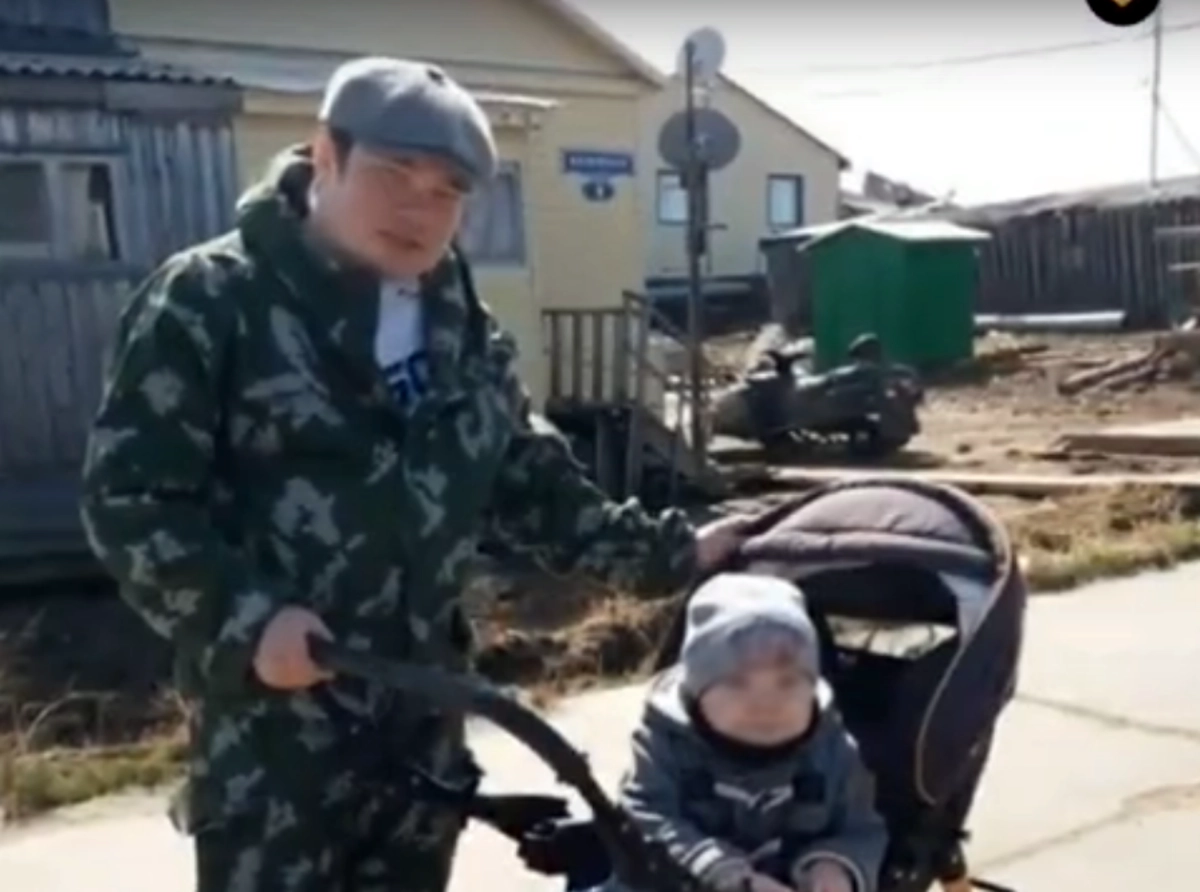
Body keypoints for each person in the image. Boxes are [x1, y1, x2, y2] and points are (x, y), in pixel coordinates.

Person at [79, 56, 751, 892]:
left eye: (447, 191)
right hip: (274, 744)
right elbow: (132, 501)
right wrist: (245, 621)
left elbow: (529, 483)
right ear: (326, 155)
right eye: (394, 173)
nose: (418, 208)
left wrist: (677, 552)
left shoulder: (459, 327)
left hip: (422, 729)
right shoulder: (212, 301)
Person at [601, 573, 887, 892]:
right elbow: (644, 817)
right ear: (697, 690)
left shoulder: (833, 750)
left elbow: (861, 828)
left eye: (788, 681)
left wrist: (834, 866)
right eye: (737, 682)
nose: (766, 702)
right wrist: (726, 874)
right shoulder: (665, 742)